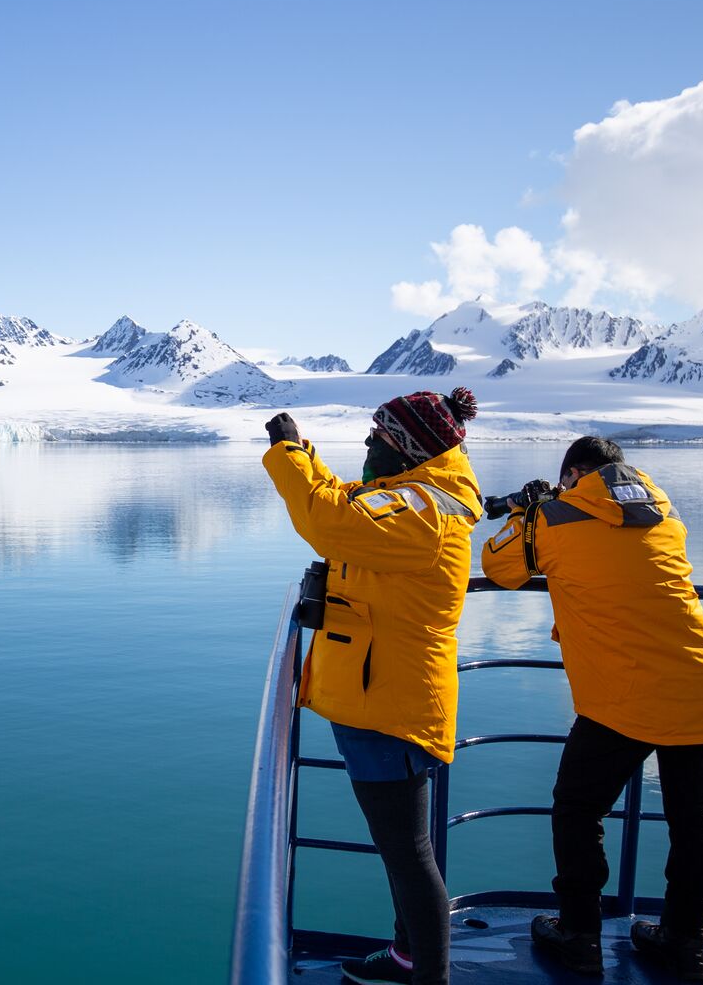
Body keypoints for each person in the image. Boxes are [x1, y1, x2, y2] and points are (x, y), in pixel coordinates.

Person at [480, 436, 703, 983]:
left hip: (621, 694)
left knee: (578, 809)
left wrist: (528, 511)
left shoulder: (555, 517)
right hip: (700, 682)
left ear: (573, 473)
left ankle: (579, 936)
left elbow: (499, 566)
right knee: (694, 820)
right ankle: (685, 942)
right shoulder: (663, 509)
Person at [263, 388, 482, 985]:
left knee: (408, 855)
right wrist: (302, 452)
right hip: (381, 689)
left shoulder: (421, 511)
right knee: (402, 852)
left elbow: (330, 522)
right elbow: (347, 504)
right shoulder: (409, 496)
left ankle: (427, 975)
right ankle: (409, 957)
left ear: (407, 447)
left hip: (390, 701)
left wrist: (285, 453)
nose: (367, 445)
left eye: (378, 437)